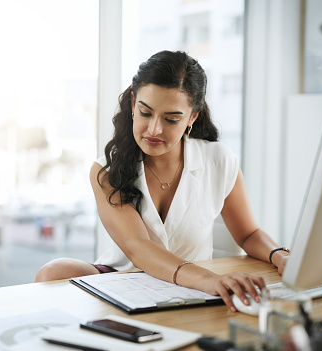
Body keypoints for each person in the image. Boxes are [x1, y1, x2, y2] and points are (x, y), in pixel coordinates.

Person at [35, 50, 289, 312]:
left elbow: (248, 234)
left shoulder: (219, 159)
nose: (154, 129)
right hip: (127, 277)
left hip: (194, 284)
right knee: (52, 273)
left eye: (171, 119)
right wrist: (211, 280)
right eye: (146, 113)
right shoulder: (106, 171)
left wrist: (280, 255)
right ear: (133, 104)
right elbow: (138, 248)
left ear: (192, 117)